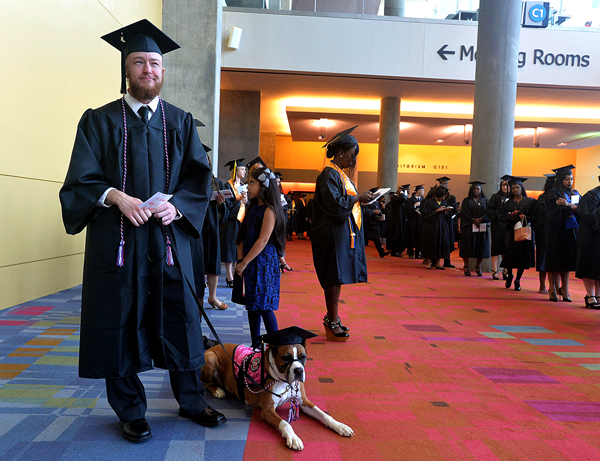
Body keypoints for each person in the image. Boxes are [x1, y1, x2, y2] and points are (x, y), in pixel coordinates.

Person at [59, 20, 226, 443]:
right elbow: (79, 182)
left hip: (168, 240)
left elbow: (199, 180)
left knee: (180, 316)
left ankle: (190, 400)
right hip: (120, 241)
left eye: (154, 63)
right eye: (139, 62)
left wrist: (176, 204)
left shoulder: (182, 122)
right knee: (121, 316)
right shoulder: (98, 121)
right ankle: (130, 409)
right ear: (126, 69)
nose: (148, 69)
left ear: (163, 71)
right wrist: (116, 196)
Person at [311, 127, 374, 341]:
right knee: (333, 276)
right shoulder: (329, 173)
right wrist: (358, 198)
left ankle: (333, 317)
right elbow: (335, 204)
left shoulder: (341, 175)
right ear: (340, 153)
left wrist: (366, 201)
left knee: (337, 276)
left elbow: (345, 202)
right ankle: (332, 319)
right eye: (351, 153)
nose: (353, 158)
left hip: (339, 233)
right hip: (331, 235)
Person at [235, 167, 286, 346]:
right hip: (250, 261)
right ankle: (255, 344)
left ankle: (278, 346)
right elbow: (241, 236)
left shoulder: (270, 210)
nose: (247, 186)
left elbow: (263, 241)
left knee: (264, 305)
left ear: (263, 186)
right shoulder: (252, 207)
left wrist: (244, 262)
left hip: (264, 262)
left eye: (251, 183)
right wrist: (241, 260)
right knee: (252, 304)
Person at [193, 147, 228, 310]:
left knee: (213, 260)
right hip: (196, 227)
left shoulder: (217, 183)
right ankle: (196, 295)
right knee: (197, 262)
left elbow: (224, 212)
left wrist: (221, 204)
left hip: (212, 225)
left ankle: (213, 298)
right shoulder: (191, 182)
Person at [545, 165, 580, 302]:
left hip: (570, 232)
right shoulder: (552, 194)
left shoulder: (575, 194)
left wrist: (567, 205)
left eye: (571, 179)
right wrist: (569, 208)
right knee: (554, 262)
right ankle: (552, 288)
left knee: (566, 263)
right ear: (560, 180)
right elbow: (552, 214)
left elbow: (581, 209)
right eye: (566, 179)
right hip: (556, 232)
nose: (569, 182)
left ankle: (565, 289)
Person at [500, 177, 536, 291]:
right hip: (512, 233)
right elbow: (502, 217)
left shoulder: (530, 201)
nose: (515, 190)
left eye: (517, 187)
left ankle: (518, 279)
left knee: (523, 258)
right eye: (513, 188)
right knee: (510, 256)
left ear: (522, 188)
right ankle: (509, 275)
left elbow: (536, 216)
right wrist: (509, 217)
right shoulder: (508, 203)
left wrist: (526, 217)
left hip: (525, 233)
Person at [575, 167, 600, 309]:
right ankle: (590, 295)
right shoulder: (592, 195)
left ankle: (598, 295)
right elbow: (588, 215)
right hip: (592, 238)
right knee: (590, 266)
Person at [220, 158, 247, 288]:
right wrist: (239, 201)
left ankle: (237, 274)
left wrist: (245, 201)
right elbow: (228, 205)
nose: (245, 172)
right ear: (235, 171)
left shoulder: (243, 186)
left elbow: (245, 204)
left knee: (239, 247)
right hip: (230, 221)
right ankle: (229, 275)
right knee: (230, 247)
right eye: (242, 169)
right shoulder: (227, 186)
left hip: (241, 220)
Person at [459, 181, 490, 276]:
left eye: (479, 189)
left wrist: (481, 219)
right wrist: (473, 220)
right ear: (472, 190)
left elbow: (489, 212)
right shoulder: (467, 200)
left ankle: (478, 266)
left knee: (481, 247)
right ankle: (466, 266)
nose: (477, 191)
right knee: (467, 246)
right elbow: (464, 212)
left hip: (481, 227)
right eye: (475, 189)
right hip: (469, 227)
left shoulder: (485, 201)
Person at [420, 185, 454, 270]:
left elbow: (448, 216)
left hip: (442, 226)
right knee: (431, 243)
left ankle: (438, 263)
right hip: (431, 226)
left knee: (440, 243)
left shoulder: (445, 203)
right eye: (442, 197)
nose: (442, 199)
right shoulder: (429, 202)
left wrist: (446, 212)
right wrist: (436, 210)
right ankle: (429, 263)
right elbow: (425, 213)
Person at [534, 174, 556, 294]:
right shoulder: (542, 198)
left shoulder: (562, 196)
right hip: (544, 232)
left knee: (556, 261)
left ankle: (557, 286)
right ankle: (542, 285)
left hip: (557, 233)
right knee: (542, 259)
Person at [487, 176, 511, 280]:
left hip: (509, 226)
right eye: (503, 185)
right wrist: (500, 214)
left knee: (507, 248)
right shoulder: (495, 197)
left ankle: (506, 269)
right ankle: (494, 269)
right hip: (497, 226)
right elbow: (489, 210)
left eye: (507, 185)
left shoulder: (513, 198)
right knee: (496, 247)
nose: (505, 187)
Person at [436, 176, 458, 268]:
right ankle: (435, 261)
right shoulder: (435, 196)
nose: (444, 185)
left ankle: (447, 260)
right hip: (438, 221)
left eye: (446, 183)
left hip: (448, 221)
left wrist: (449, 211)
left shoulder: (451, 197)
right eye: (443, 183)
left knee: (447, 241)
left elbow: (455, 208)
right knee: (438, 241)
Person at [363, 187, 391, 258]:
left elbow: (380, 211)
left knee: (377, 239)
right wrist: (373, 211)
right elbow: (364, 211)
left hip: (375, 223)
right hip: (367, 223)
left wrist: (380, 213)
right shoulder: (367, 202)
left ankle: (381, 252)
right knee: (364, 238)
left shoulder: (377, 203)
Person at [387, 185, 409, 256]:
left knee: (400, 235)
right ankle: (394, 251)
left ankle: (398, 249)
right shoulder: (394, 197)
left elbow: (405, 199)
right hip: (396, 219)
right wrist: (402, 192)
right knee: (395, 235)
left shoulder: (398, 198)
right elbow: (403, 198)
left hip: (400, 219)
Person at [404, 185, 424, 259]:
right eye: (422, 191)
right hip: (412, 221)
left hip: (420, 221)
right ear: (418, 191)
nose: (423, 192)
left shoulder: (423, 200)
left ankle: (418, 253)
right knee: (411, 236)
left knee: (419, 237)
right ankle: (410, 253)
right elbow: (406, 209)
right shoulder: (410, 200)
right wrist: (414, 206)